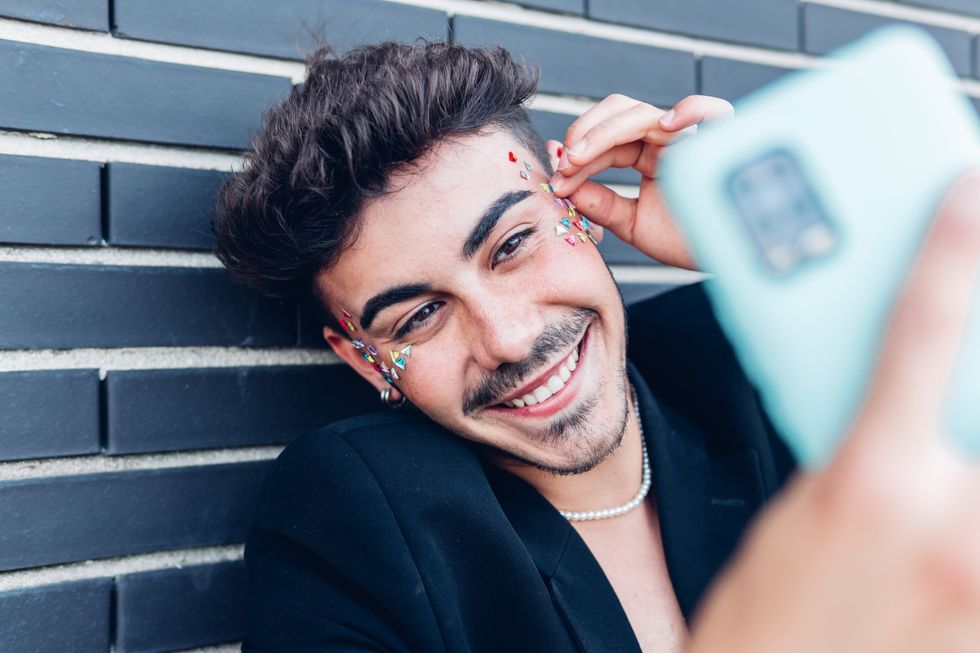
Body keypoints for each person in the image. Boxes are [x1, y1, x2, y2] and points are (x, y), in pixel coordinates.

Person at [213, 40, 980, 652]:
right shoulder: (354, 512)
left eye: (512, 244)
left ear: (575, 208)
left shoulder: (743, 356)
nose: (509, 337)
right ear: (362, 359)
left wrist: (761, 266)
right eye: (419, 317)